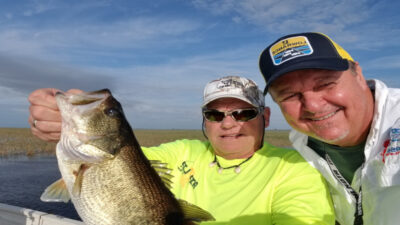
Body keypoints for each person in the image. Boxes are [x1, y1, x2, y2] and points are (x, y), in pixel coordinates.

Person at [28, 76, 335, 224]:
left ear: (265, 117)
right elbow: (130, 160)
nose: (229, 124)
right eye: (215, 114)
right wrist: (57, 126)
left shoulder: (296, 170)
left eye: (244, 113)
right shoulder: (184, 151)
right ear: (205, 119)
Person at [259, 32, 400, 225]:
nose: (312, 106)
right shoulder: (302, 144)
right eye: (289, 95)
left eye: (325, 84)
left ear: (358, 74)